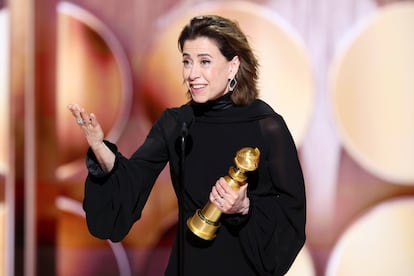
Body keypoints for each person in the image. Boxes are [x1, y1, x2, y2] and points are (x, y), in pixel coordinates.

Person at [68, 15, 306, 276]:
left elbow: (290, 216)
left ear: (233, 66)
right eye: (187, 62)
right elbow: (132, 181)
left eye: (204, 62)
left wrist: (244, 207)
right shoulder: (176, 123)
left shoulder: (267, 126)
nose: (192, 74)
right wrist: (101, 150)